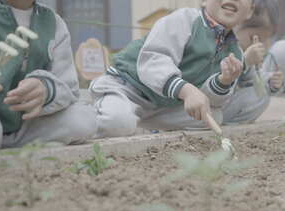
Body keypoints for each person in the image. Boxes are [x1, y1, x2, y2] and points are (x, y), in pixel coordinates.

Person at [0, 0, 96, 155]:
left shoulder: (53, 23)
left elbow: (68, 89)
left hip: (23, 126)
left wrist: (46, 90)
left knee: (81, 119)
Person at [90, 0, 254, 137]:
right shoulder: (185, 20)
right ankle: (95, 114)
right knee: (117, 123)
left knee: (212, 116)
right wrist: (187, 90)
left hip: (162, 105)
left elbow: (209, 100)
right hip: (127, 87)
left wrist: (223, 81)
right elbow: (153, 61)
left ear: (250, 12)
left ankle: (140, 124)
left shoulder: (235, 53)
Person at [222, 0, 284, 125]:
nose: (258, 44)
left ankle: (230, 123)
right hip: (210, 105)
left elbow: (252, 80)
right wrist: (245, 61)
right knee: (259, 95)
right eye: (253, 37)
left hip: (223, 107)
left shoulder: (246, 50)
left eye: (265, 39)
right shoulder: (225, 45)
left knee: (261, 93)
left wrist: (270, 81)